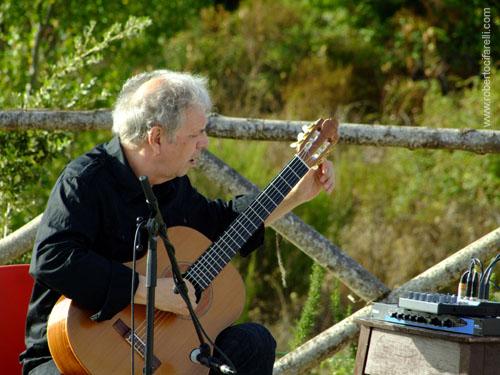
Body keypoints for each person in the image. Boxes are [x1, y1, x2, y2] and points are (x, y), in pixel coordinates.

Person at [20, 70, 334, 374]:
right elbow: (53, 258)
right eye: (196, 134)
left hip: (164, 350)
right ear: (157, 138)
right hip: (70, 354)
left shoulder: (172, 185)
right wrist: (148, 290)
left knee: (253, 343)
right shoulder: (85, 181)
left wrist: (295, 194)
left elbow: (224, 226)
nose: (205, 143)